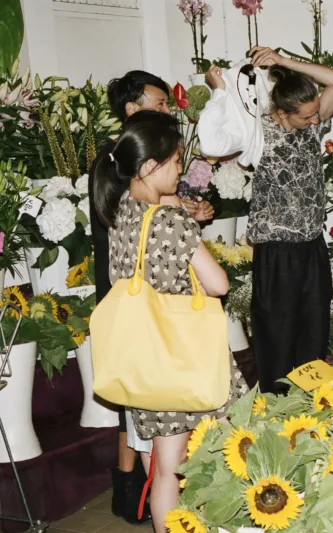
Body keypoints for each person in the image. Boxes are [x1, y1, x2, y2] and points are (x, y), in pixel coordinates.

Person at [92, 111, 249, 533]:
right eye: (176, 160)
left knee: (161, 469)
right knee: (201, 462)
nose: (181, 168)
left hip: (143, 359)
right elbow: (217, 283)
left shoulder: (121, 209)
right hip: (180, 359)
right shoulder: (170, 222)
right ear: (149, 166)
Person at [88, 70, 214, 523]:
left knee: (155, 457)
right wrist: (184, 223)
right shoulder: (156, 205)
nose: (167, 110)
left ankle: (151, 510)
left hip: (139, 337)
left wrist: (179, 209)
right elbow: (215, 282)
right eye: (160, 105)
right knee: (170, 467)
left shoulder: (124, 198)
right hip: (163, 340)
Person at [205, 47, 333, 394]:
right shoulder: (258, 133)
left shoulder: (312, 128)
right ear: (282, 113)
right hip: (277, 251)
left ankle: (311, 405)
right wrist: (218, 92)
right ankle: (277, 408)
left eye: (317, 114)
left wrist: (281, 61)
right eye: (307, 116)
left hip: (312, 246)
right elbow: (210, 142)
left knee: (315, 332)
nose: (316, 122)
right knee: (277, 336)